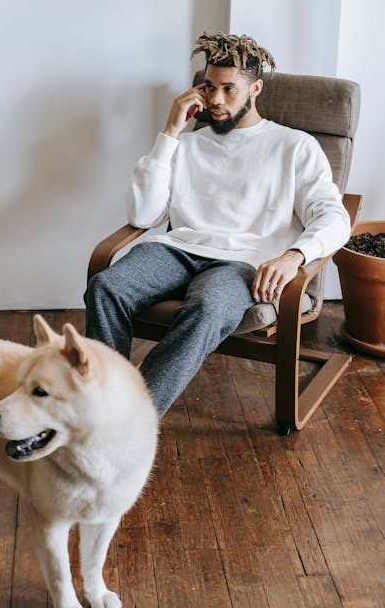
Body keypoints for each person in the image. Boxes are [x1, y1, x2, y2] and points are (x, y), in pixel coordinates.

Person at [84, 32, 351, 415]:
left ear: (255, 88)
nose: (216, 100)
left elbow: (334, 217)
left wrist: (295, 255)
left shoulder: (295, 146)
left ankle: (133, 417)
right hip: (178, 250)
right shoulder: (187, 145)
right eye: (209, 87)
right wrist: (170, 133)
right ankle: (101, 401)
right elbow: (143, 216)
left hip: (243, 262)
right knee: (105, 287)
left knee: (208, 306)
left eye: (229, 89)